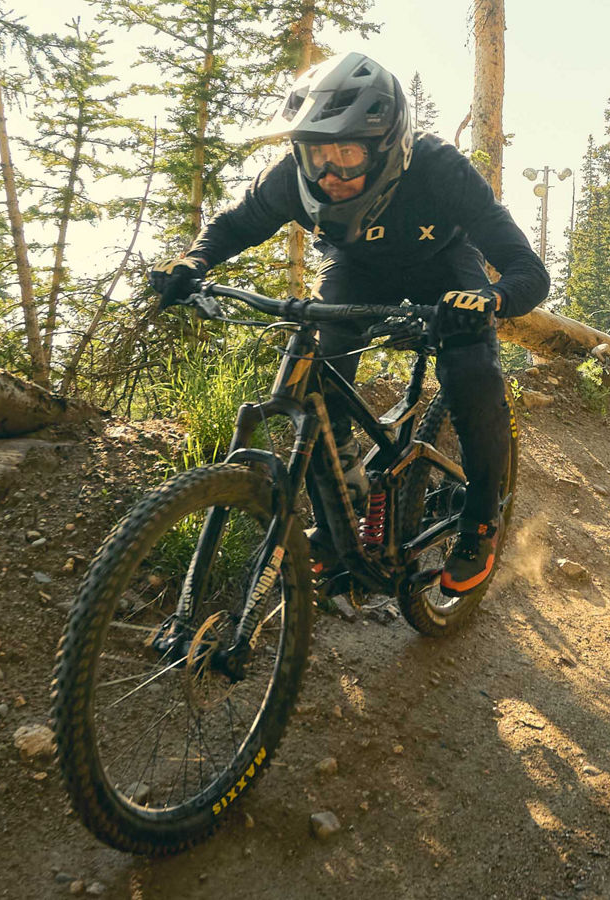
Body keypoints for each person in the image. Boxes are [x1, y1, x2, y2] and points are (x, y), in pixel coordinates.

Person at [147, 51, 545, 599]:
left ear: (389, 146)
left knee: (472, 371)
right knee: (317, 373)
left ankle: (480, 520)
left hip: (445, 271)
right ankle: (343, 512)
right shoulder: (292, 179)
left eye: (347, 154)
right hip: (356, 270)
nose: (329, 173)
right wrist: (193, 261)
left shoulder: (440, 169)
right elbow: (235, 224)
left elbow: (528, 271)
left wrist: (490, 300)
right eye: (317, 156)